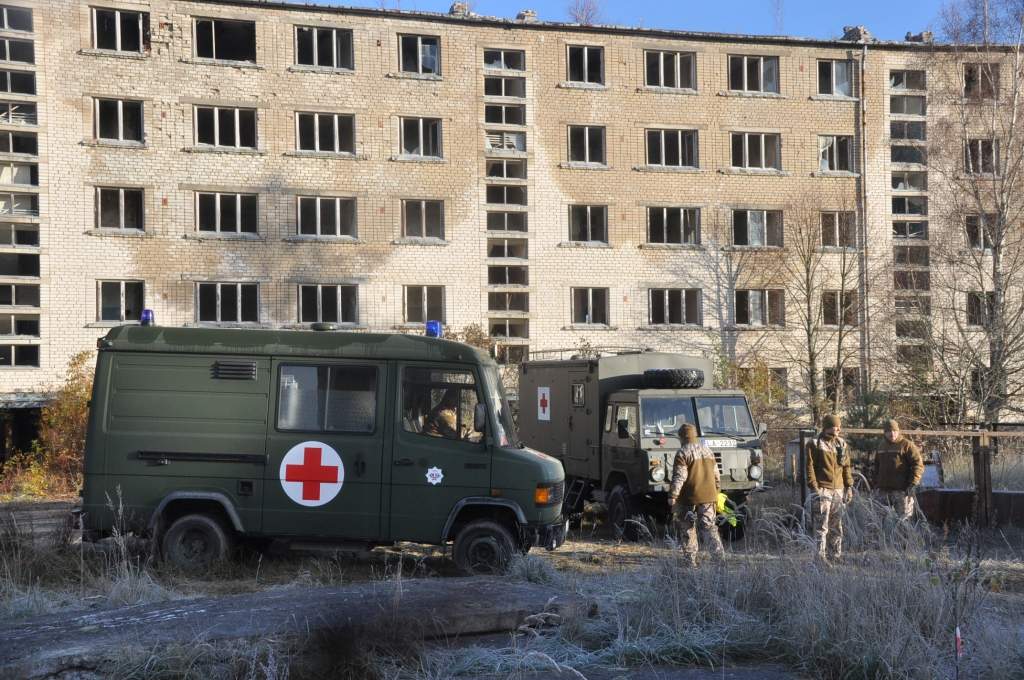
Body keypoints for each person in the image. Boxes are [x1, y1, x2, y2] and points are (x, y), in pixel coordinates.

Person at [667, 423, 724, 566]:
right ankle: (719, 558)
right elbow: (716, 474)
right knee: (709, 527)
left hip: (688, 497)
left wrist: (673, 495)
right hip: (709, 496)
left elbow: (680, 477)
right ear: (695, 435)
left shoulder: (682, 453)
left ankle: (690, 561)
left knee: (687, 528)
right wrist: (716, 491)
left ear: (681, 437)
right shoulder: (708, 451)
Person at [805, 413, 854, 564]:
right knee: (821, 526)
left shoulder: (842, 444)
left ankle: (836, 556)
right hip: (822, 489)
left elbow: (846, 467)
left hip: (839, 490)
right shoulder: (814, 444)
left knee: (836, 526)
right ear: (827, 427)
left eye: (839, 427)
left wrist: (849, 486)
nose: (838, 429)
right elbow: (809, 467)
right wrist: (814, 488)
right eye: (835, 426)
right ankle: (820, 558)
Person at [873, 419, 924, 521]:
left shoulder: (907, 445)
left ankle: (904, 537)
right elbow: (877, 466)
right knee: (877, 520)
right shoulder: (881, 446)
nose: (892, 434)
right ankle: (883, 537)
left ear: (898, 431)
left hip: (902, 491)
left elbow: (918, 464)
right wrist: (876, 484)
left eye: (894, 431)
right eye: (889, 431)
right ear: (885, 432)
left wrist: (913, 483)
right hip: (883, 491)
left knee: (904, 521)